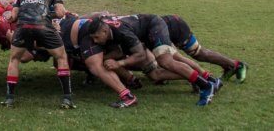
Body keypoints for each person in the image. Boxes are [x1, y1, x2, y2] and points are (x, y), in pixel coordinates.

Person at [88, 14, 218, 106]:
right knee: (165, 66)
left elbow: (140, 55)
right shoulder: (105, 25)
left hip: (154, 26)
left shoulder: (122, 33)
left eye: (96, 37)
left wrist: (119, 63)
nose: (95, 41)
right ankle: (203, 79)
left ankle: (206, 85)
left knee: (166, 61)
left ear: (105, 31)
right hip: (145, 31)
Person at [2, 0, 75, 109]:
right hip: (43, 26)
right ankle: (67, 98)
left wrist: (9, 15)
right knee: (61, 57)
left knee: (14, 59)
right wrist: (47, 14)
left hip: (23, 26)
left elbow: (13, 16)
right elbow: (60, 13)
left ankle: (9, 98)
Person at [59, 13, 137, 108]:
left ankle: (127, 96)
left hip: (86, 33)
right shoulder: (62, 18)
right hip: (91, 28)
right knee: (79, 61)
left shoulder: (50, 25)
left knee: (96, 67)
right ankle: (131, 79)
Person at [161, 15, 248, 82]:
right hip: (168, 24)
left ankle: (237, 65)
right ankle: (229, 67)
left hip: (175, 27)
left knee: (199, 53)